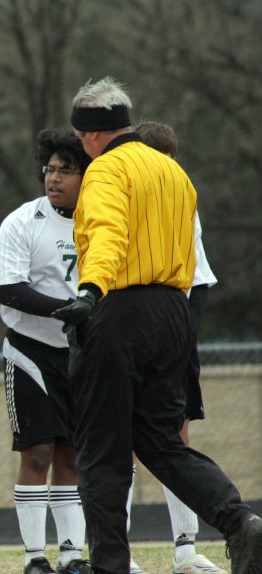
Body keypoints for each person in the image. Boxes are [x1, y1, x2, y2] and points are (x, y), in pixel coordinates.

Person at [52, 77, 262, 574]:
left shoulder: (105, 171)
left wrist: (90, 291)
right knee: (163, 442)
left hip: (117, 310)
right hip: (173, 312)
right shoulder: (174, 173)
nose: (83, 147)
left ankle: (110, 565)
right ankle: (240, 523)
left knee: (102, 450)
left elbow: (108, 233)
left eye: (82, 138)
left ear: (94, 135)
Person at [120, 121, 226, 574]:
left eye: (168, 161)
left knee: (176, 434)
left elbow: (198, 281)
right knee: (118, 438)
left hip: (173, 336)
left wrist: (184, 341)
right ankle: (116, 549)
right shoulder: (118, 197)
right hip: (127, 335)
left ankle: (185, 548)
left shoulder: (184, 201)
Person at [0, 129, 93, 574]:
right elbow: (11, 290)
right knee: (37, 452)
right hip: (31, 352)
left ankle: (72, 554)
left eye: (66, 170)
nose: (54, 178)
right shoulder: (21, 221)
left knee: (72, 454)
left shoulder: (100, 220)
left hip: (82, 354)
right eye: (49, 169)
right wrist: (70, 310)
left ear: (86, 175)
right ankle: (34, 557)